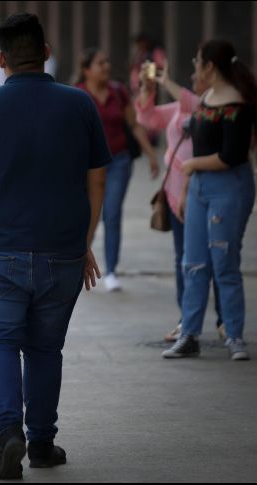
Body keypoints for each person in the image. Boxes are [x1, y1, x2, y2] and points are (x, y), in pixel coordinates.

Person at [0, 14, 110, 480]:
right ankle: (41, 442)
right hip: (63, 250)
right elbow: (97, 180)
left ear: (1, 60)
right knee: (45, 349)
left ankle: (8, 433)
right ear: (46, 52)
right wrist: (84, 241)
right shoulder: (79, 104)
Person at [163, 40, 257, 361]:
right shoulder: (206, 99)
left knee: (224, 264)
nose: (195, 66)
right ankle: (189, 334)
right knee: (193, 264)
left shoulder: (236, 105)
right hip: (199, 190)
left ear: (210, 66)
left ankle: (234, 336)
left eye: (197, 61)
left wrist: (191, 166)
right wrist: (186, 190)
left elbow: (232, 156)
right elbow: (201, 147)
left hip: (228, 189)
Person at [135, 61, 225, 342]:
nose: (193, 78)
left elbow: (195, 105)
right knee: (182, 259)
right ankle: (185, 318)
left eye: (198, 74)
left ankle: (224, 320)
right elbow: (148, 119)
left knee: (216, 258)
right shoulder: (177, 109)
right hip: (175, 193)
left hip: (202, 190)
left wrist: (166, 82)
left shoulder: (212, 107)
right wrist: (147, 89)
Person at [77, 48, 160, 292]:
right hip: (88, 164)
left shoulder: (118, 91)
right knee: (86, 213)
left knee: (112, 213)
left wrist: (151, 154)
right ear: (86, 70)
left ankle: (111, 270)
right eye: (100, 63)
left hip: (118, 161)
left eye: (107, 62)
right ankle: (80, 260)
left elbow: (134, 125)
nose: (106, 67)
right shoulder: (78, 94)